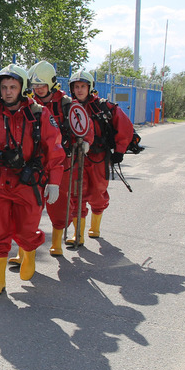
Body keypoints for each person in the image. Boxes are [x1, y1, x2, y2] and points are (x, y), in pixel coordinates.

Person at [0, 64, 65, 296]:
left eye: (13, 86)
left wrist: (54, 181)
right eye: (4, 87)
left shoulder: (39, 115)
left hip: (28, 182)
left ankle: (29, 257)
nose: (8, 91)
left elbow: (54, 147)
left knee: (26, 230)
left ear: (22, 88)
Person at [27, 61, 93, 257]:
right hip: (35, 161)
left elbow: (83, 125)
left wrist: (86, 141)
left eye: (41, 85)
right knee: (28, 204)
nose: (38, 90)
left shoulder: (67, 104)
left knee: (59, 203)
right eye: (34, 86)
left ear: (52, 83)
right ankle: (25, 249)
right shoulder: (30, 104)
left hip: (62, 162)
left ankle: (56, 241)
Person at [69, 71, 133, 243]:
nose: (80, 90)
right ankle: (78, 234)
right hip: (76, 157)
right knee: (76, 193)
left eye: (83, 86)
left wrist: (119, 150)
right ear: (72, 88)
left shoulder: (104, 107)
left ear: (90, 88)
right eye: (76, 86)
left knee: (98, 192)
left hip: (98, 157)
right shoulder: (67, 107)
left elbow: (125, 126)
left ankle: (95, 227)